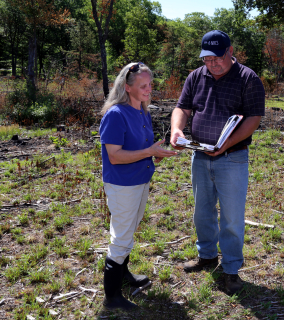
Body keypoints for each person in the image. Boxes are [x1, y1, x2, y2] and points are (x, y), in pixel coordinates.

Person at [170, 30, 265, 295]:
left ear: (230, 51)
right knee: (202, 212)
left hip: (232, 158)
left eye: (216, 58)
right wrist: (176, 129)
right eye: (206, 59)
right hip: (199, 156)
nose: (211, 64)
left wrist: (226, 144)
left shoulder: (248, 78)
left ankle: (231, 269)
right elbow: (183, 108)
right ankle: (207, 257)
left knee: (232, 217)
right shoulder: (196, 77)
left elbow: (253, 118)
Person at [99, 62, 177, 310]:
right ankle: (112, 298)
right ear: (127, 87)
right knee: (121, 238)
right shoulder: (116, 114)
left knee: (129, 230)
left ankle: (123, 276)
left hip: (140, 180)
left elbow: (139, 150)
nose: (149, 89)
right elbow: (114, 156)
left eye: (150, 84)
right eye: (143, 85)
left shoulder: (142, 111)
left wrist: (154, 153)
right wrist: (148, 151)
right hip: (122, 185)